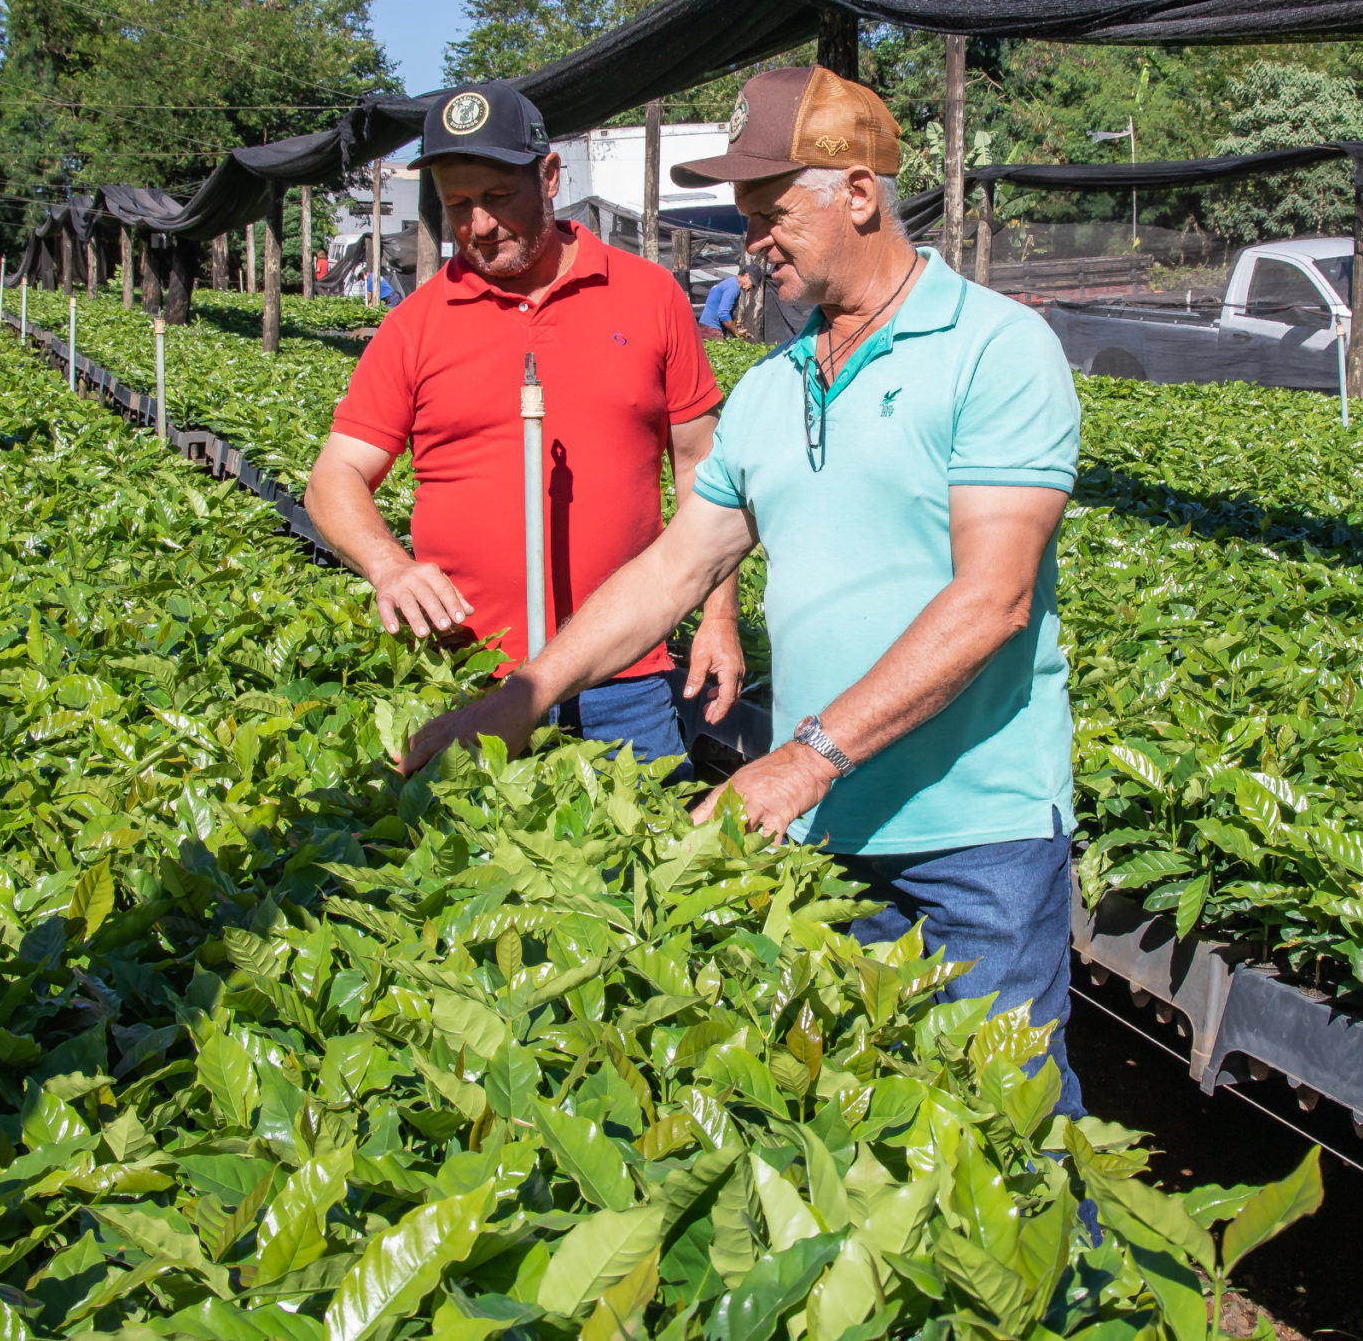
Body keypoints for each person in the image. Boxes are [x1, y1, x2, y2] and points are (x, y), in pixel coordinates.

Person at [404, 66, 1084, 1113]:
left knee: (1008, 1131)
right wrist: (521, 697)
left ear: (859, 194)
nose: (752, 241)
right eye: (746, 216)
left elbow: (992, 598)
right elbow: (673, 570)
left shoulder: (996, 348)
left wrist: (804, 759)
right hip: (825, 837)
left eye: (772, 213)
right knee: (860, 1127)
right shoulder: (772, 388)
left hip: (972, 839)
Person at [304, 80, 744, 762]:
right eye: (457, 204)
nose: (479, 224)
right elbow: (333, 477)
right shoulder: (414, 325)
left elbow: (702, 468)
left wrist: (719, 616)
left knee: (646, 830)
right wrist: (389, 566)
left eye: (497, 196)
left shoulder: (648, 295)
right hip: (467, 669)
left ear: (549, 176)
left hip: (623, 678)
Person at [697, 265, 745, 339]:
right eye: (753, 283)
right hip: (712, 330)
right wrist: (736, 332)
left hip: (704, 326)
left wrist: (733, 322)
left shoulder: (729, 282)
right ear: (747, 275)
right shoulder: (734, 287)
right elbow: (723, 313)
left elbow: (717, 306)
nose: (752, 287)